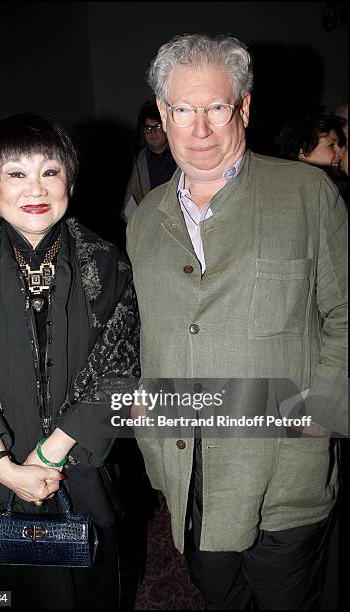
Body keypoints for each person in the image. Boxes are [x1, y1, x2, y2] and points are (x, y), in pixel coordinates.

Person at [126, 34, 347, 609]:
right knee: (218, 597)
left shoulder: (307, 193)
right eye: (182, 109)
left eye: (216, 107)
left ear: (243, 108)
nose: (199, 129)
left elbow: (343, 311)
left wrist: (322, 415)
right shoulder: (144, 217)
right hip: (189, 469)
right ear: (163, 114)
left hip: (284, 470)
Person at [0, 113, 141, 610]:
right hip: (0, 474)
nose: (36, 187)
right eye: (15, 173)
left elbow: (121, 366)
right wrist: (5, 466)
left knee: (95, 588)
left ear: (69, 180)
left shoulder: (108, 264)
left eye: (50, 171)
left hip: (80, 463)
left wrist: (49, 454)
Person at [122, 100, 177, 220]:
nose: (153, 132)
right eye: (148, 128)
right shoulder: (135, 163)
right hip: (150, 222)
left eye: (158, 126)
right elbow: (127, 203)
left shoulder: (181, 158)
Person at [275, 115, 348, 202]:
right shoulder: (308, 182)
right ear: (303, 151)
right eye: (331, 145)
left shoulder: (335, 183)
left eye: (338, 145)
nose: (339, 150)